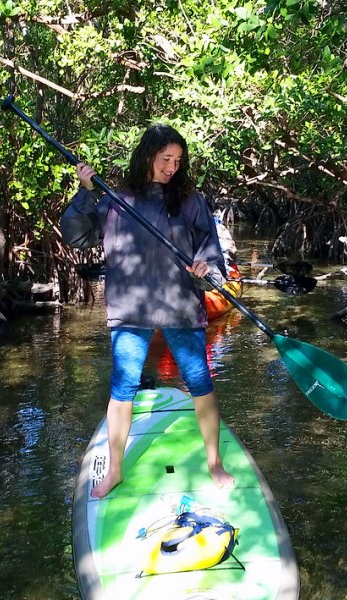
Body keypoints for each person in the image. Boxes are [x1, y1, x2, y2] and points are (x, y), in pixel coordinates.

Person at [60, 123, 235, 498]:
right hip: (131, 308)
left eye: (177, 160)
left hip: (179, 306)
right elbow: (77, 235)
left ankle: (214, 463)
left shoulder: (190, 201)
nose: (172, 167)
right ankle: (116, 471)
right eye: (165, 158)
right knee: (123, 388)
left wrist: (207, 270)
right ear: (147, 157)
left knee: (200, 383)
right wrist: (85, 194)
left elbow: (209, 250)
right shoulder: (115, 199)